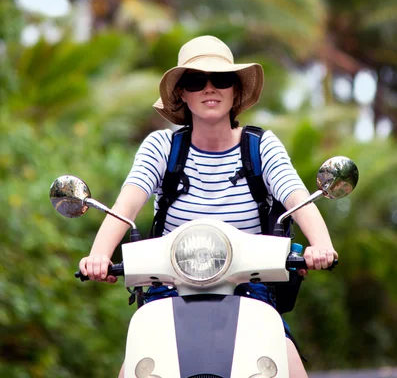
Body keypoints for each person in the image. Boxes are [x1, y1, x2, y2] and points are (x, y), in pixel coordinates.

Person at [79, 35, 338, 378]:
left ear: (236, 92)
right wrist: (98, 256)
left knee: (289, 364)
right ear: (182, 94)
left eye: (222, 80)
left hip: (249, 289)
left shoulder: (261, 147)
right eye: (195, 81)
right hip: (169, 289)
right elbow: (125, 205)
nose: (209, 89)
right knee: (133, 370)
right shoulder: (162, 146)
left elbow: (296, 197)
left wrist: (322, 246)